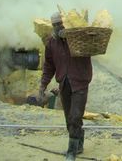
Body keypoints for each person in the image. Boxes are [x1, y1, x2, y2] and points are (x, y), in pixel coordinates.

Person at [38, 12, 93, 161]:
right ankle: (79, 143)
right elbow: (49, 66)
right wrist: (43, 84)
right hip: (64, 83)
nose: (58, 27)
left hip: (80, 82)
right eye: (55, 24)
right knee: (70, 118)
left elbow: (90, 45)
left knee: (75, 116)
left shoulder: (78, 38)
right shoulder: (51, 43)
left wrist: (76, 33)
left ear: (66, 23)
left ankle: (71, 151)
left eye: (60, 23)